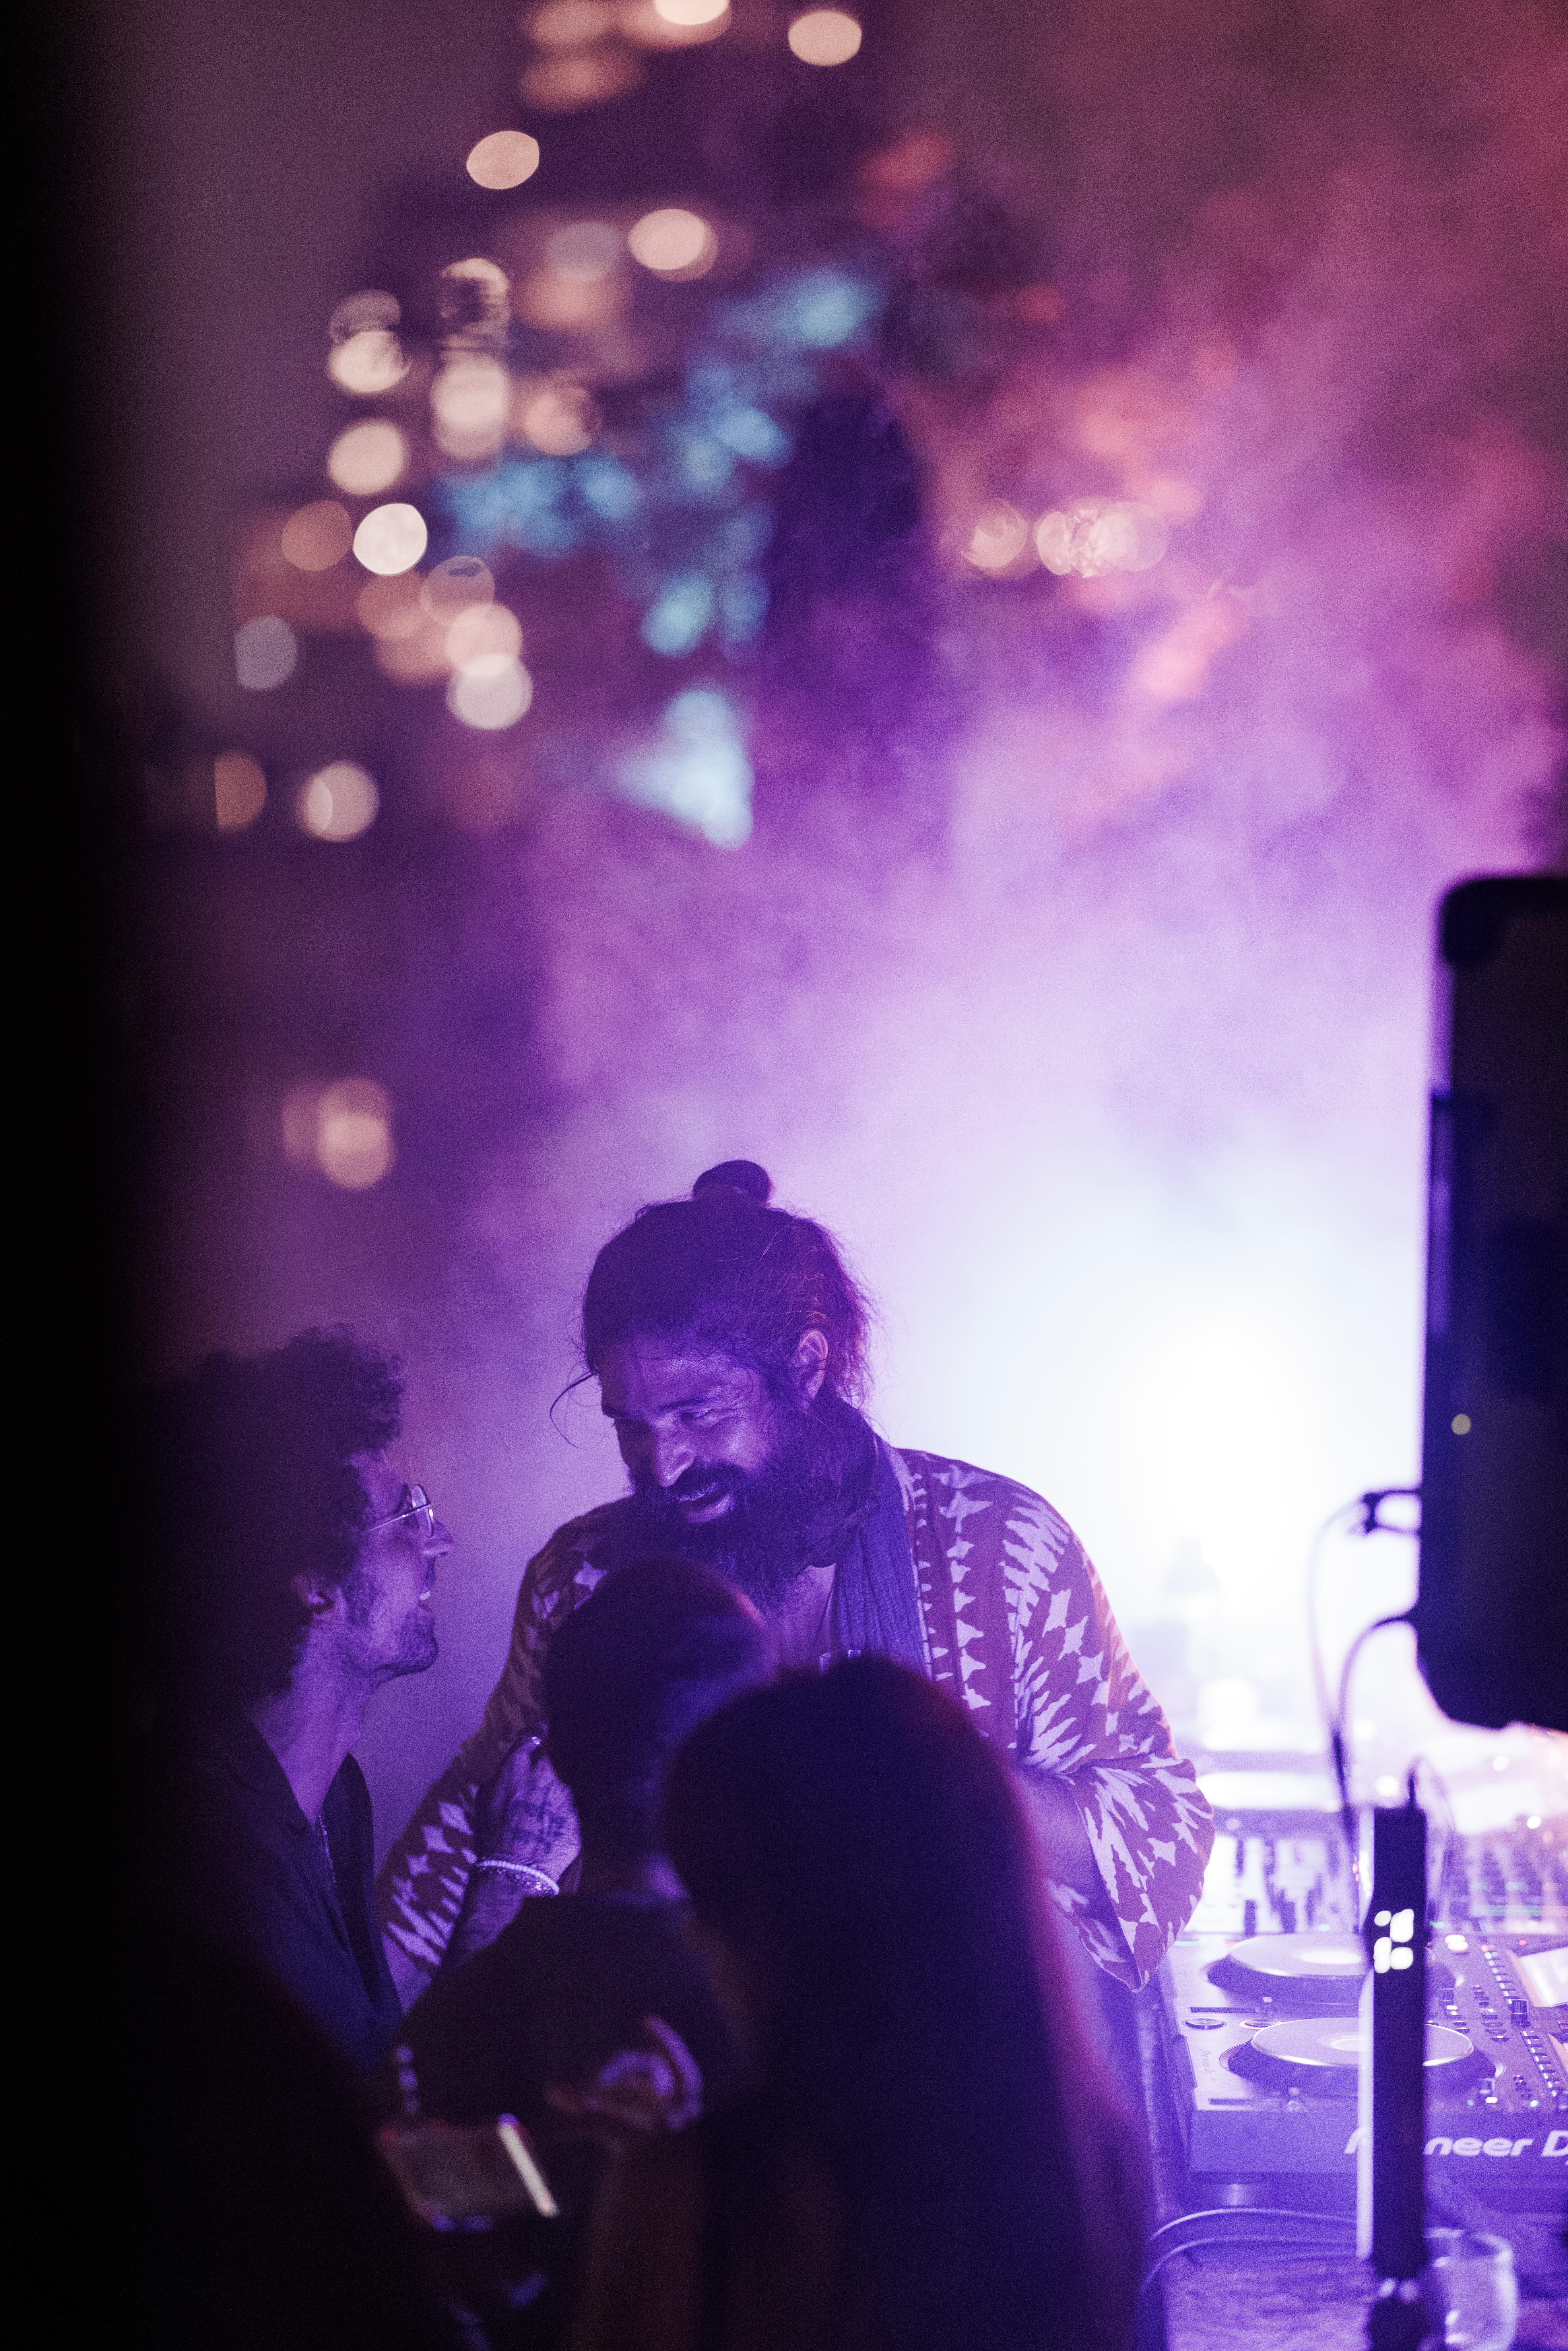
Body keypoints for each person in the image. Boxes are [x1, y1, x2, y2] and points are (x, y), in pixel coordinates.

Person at [379, 1163, 1211, 1997]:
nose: (663, 1465)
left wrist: (935, 1778)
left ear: (807, 1367)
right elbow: (485, 1813)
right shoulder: (581, 1580)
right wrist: (362, 2026)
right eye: (631, 1425)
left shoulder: (1003, 1548)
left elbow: (1159, 1835)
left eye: (698, 1414)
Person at [571, 1657, 1149, 2351]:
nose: (695, 1936)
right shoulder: (1100, 2164)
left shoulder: (688, 2200)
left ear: (800, 1926)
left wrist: (674, 2181)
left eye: (716, 1903)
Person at [371, 1558, 769, 2137]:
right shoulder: (776, 2030)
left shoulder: (446, 2026)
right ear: (745, 1775)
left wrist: (505, 1882)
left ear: (551, 1757)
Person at [148, 1326, 451, 2069]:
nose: (439, 1539)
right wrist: (514, 1878)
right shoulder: (204, 1858)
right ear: (316, 1592)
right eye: (406, 1518)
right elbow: (356, 2101)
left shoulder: (335, 1795)